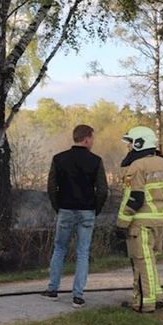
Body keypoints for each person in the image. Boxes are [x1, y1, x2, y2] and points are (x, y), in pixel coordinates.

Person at [41, 124, 109, 308]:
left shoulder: (59, 159)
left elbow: (51, 188)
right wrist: (95, 209)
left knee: (59, 249)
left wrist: (58, 207)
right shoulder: (96, 161)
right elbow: (102, 190)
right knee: (83, 252)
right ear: (86, 138)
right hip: (87, 211)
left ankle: (52, 290)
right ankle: (77, 296)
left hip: (65, 210)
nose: (93, 142)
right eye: (92, 138)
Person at [116, 126, 163, 313]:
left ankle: (146, 303)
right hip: (159, 222)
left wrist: (121, 223)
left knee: (142, 262)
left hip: (140, 224)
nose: (128, 148)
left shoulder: (137, 166)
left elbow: (135, 199)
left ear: (139, 143)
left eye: (130, 144)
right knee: (150, 261)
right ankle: (157, 296)